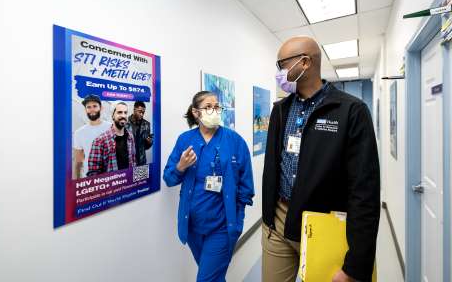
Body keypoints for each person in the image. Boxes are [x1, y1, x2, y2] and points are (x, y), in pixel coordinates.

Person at [262, 36, 380, 282]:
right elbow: (273, 167)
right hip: (279, 220)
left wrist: (357, 265)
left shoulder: (351, 111)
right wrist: (269, 219)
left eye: (281, 64)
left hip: (326, 223)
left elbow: (365, 191)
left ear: (304, 63)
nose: (279, 72)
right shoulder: (280, 110)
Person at [163, 91, 254, 282]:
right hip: (193, 226)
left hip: (222, 226)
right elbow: (169, 178)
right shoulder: (185, 140)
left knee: (206, 279)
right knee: (213, 276)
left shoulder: (234, 141)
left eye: (217, 106)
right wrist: (181, 166)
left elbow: (246, 187)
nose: (215, 111)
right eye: (208, 107)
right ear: (196, 113)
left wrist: (237, 222)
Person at [87, 102, 136, 176]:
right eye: (119, 112)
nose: (123, 115)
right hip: (111, 186)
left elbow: (133, 161)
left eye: (125, 112)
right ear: (112, 115)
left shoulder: (130, 136)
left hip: (128, 184)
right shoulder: (99, 141)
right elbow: (93, 174)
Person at [73, 95, 112, 179]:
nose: (92, 109)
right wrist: (77, 182)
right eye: (88, 107)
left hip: (110, 177)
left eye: (95, 106)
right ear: (85, 109)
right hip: (89, 178)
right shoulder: (79, 133)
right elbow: (78, 161)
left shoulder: (111, 128)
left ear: (101, 108)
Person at [127, 101, 153, 166]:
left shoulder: (146, 124)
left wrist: (149, 142)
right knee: (128, 176)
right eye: (140, 111)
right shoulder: (125, 123)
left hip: (142, 161)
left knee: (142, 176)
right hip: (128, 162)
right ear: (134, 110)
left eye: (143, 112)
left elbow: (146, 147)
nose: (141, 114)